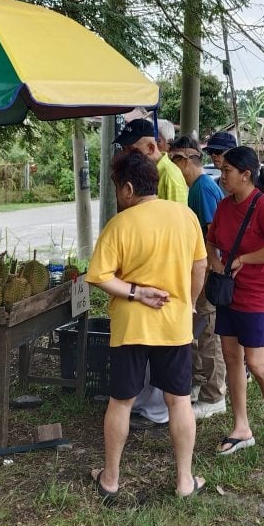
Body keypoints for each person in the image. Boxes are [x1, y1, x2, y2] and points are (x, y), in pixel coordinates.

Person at [86, 151, 208, 501]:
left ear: (127, 188)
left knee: (121, 401)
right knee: (179, 401)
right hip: (174, 324)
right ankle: (185, 481)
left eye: (116, 190)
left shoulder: (120, 225)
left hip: (130, 327)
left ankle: (110, 479)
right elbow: (199, 267)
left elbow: (99, 277)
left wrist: (136, 292)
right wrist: (186, 304)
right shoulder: (186, 216)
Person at [207, 146, 264, 469]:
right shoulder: (223, 206)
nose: (222, 176)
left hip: (257, 295)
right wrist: (214, 260)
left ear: (246, 175)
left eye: (228, 171)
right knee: (232, 358)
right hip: (228, 294)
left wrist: (244, 260)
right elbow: (211, 237)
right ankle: (241, 427)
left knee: (258, 365)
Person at [113, 117, 189, 429]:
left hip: (164, 283)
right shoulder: (145, 179)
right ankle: (147, 405)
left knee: (169, 384)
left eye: (132, 150)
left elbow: (178, 229)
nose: (129, 156)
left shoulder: (169, 175)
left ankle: (155, 409)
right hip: (144, 285)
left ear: (151, 146)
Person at [169, 136, 228, 420]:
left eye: (173, 162)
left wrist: (203, 274)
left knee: (208, 334)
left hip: (207, 272)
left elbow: (210, 237)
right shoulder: (199, 187)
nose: (172, 170)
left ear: (185, 160)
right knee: (200, 332)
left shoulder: (202, 189)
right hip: (202, 271)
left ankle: (215, 395)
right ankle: (203, 385)